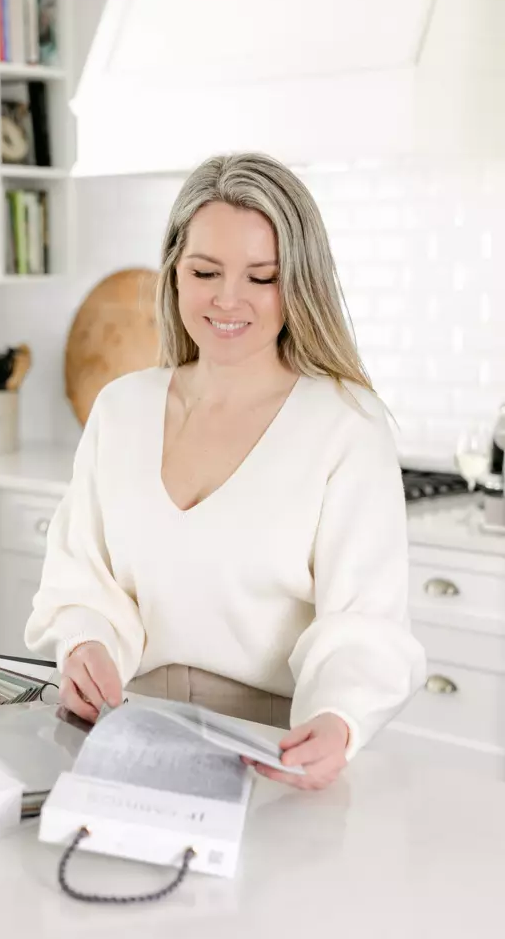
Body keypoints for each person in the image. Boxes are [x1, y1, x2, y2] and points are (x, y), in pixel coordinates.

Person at [25, 152, 426, 791]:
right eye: (205, 270)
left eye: (262, 277)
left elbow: (364, 620)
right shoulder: (121, 409)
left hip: (274, 745)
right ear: (174, 274)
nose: (228, 299)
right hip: (124, 729)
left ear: (299, 283)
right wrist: (85, 646)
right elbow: (83, 579)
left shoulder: (347, 425)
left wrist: (338, 718)